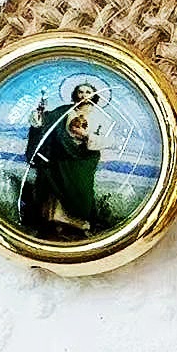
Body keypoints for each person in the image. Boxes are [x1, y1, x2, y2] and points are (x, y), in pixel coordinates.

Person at [20, 83, 109, 237]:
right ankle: (57, 221)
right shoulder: (64, 111)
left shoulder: (99, 116)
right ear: (75, 94)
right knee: (55, 185)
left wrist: (86, 136)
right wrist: (39, 115)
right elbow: (44, 122)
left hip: (83, 159)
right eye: (80, 91)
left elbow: (109, 140)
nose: (83, 95)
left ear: (94, 95)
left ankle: (77, 221)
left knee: (81, 189)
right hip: (60, 157)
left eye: (88, 92)